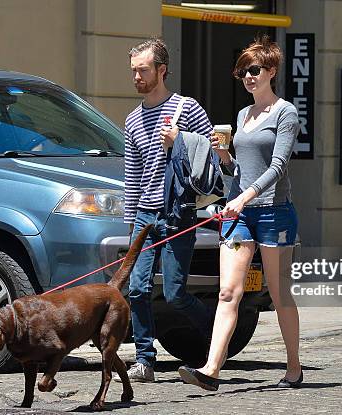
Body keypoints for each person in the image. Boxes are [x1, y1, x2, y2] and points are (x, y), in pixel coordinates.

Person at [178, 35, 303, 391]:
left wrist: (245, 196)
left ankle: (294, 367)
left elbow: (278, 166)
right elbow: (241, 169)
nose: (247, 77)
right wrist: (224, 158)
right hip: (240, 213)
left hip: (274, 213)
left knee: (279, 293)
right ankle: (211, 370)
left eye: (254, 69)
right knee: (227, 292)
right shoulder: (243, 115)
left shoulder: (286, 112)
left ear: (271, 71)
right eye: (242, 71)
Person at [117, 37, 213, 383]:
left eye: (143, 70)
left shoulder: (187, 109)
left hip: (178, 214)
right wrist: (131, 225)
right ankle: (145, 360)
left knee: (174, 293)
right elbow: (133, 176)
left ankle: (215, 337)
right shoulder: (131, 121)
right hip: (145, 214)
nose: (137, 77)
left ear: (162, 70)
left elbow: (211, 155)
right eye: (133, 71)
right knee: (137, 289)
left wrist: (180, 143)